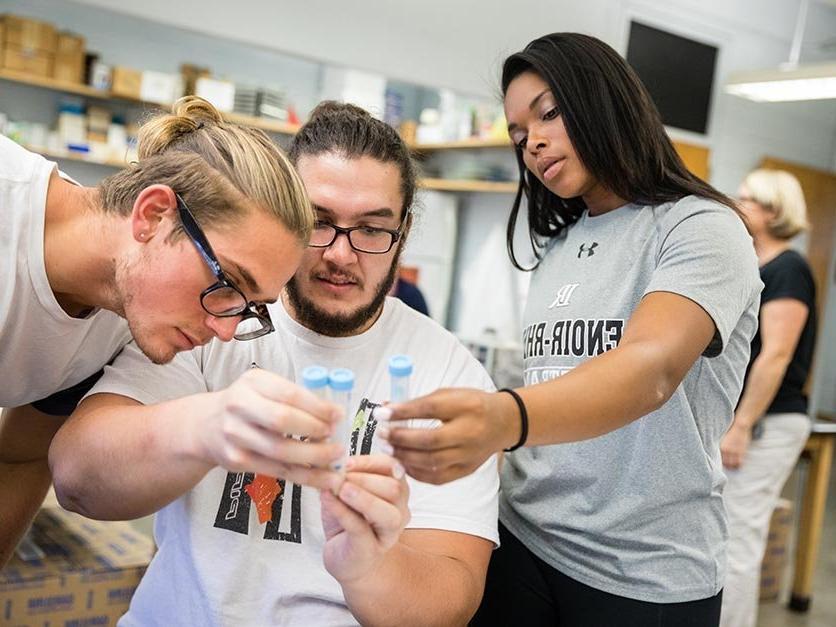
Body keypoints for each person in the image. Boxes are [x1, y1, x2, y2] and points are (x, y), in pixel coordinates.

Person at [49, 102, 498, 626]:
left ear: (404, 231)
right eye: (319, 223)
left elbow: (449, 603)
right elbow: (76, 478)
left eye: (372, 230)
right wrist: (207, 427)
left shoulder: (450, 374)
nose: (340, 254)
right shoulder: (211, 315)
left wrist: (370, 567)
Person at [384, 33, 763, 626]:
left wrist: (501, 418)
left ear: (602, 99)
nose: (532, 142)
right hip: (524, 539)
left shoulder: (702, 229)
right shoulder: (558, 247)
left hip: (642, 570)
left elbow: (652, 368)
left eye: (549, 114)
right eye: (517, 133)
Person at [0, 95, 313, 567]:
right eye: (227, 283)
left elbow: (18, 457)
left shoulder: (128, 325)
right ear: (153, 216)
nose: (226, 331)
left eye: (249, 308)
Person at [719, 169, 816, 627]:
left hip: (769, 422)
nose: (737, 205)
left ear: (774, 211)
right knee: (721, 535)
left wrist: (740, 426)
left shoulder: (789, 268)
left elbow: (775, 356)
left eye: (748, 199)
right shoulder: (751, 266)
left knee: (738, 537)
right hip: (746, 420)